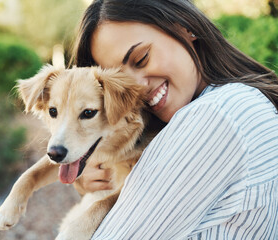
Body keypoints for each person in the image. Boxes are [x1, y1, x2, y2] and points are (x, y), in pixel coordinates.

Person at [69, 0, 278, 239]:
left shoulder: (219, 115)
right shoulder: (242, 102)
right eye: (119, 86)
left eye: (141, 59)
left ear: (185, 27)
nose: (136, 90)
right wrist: (104, 187)